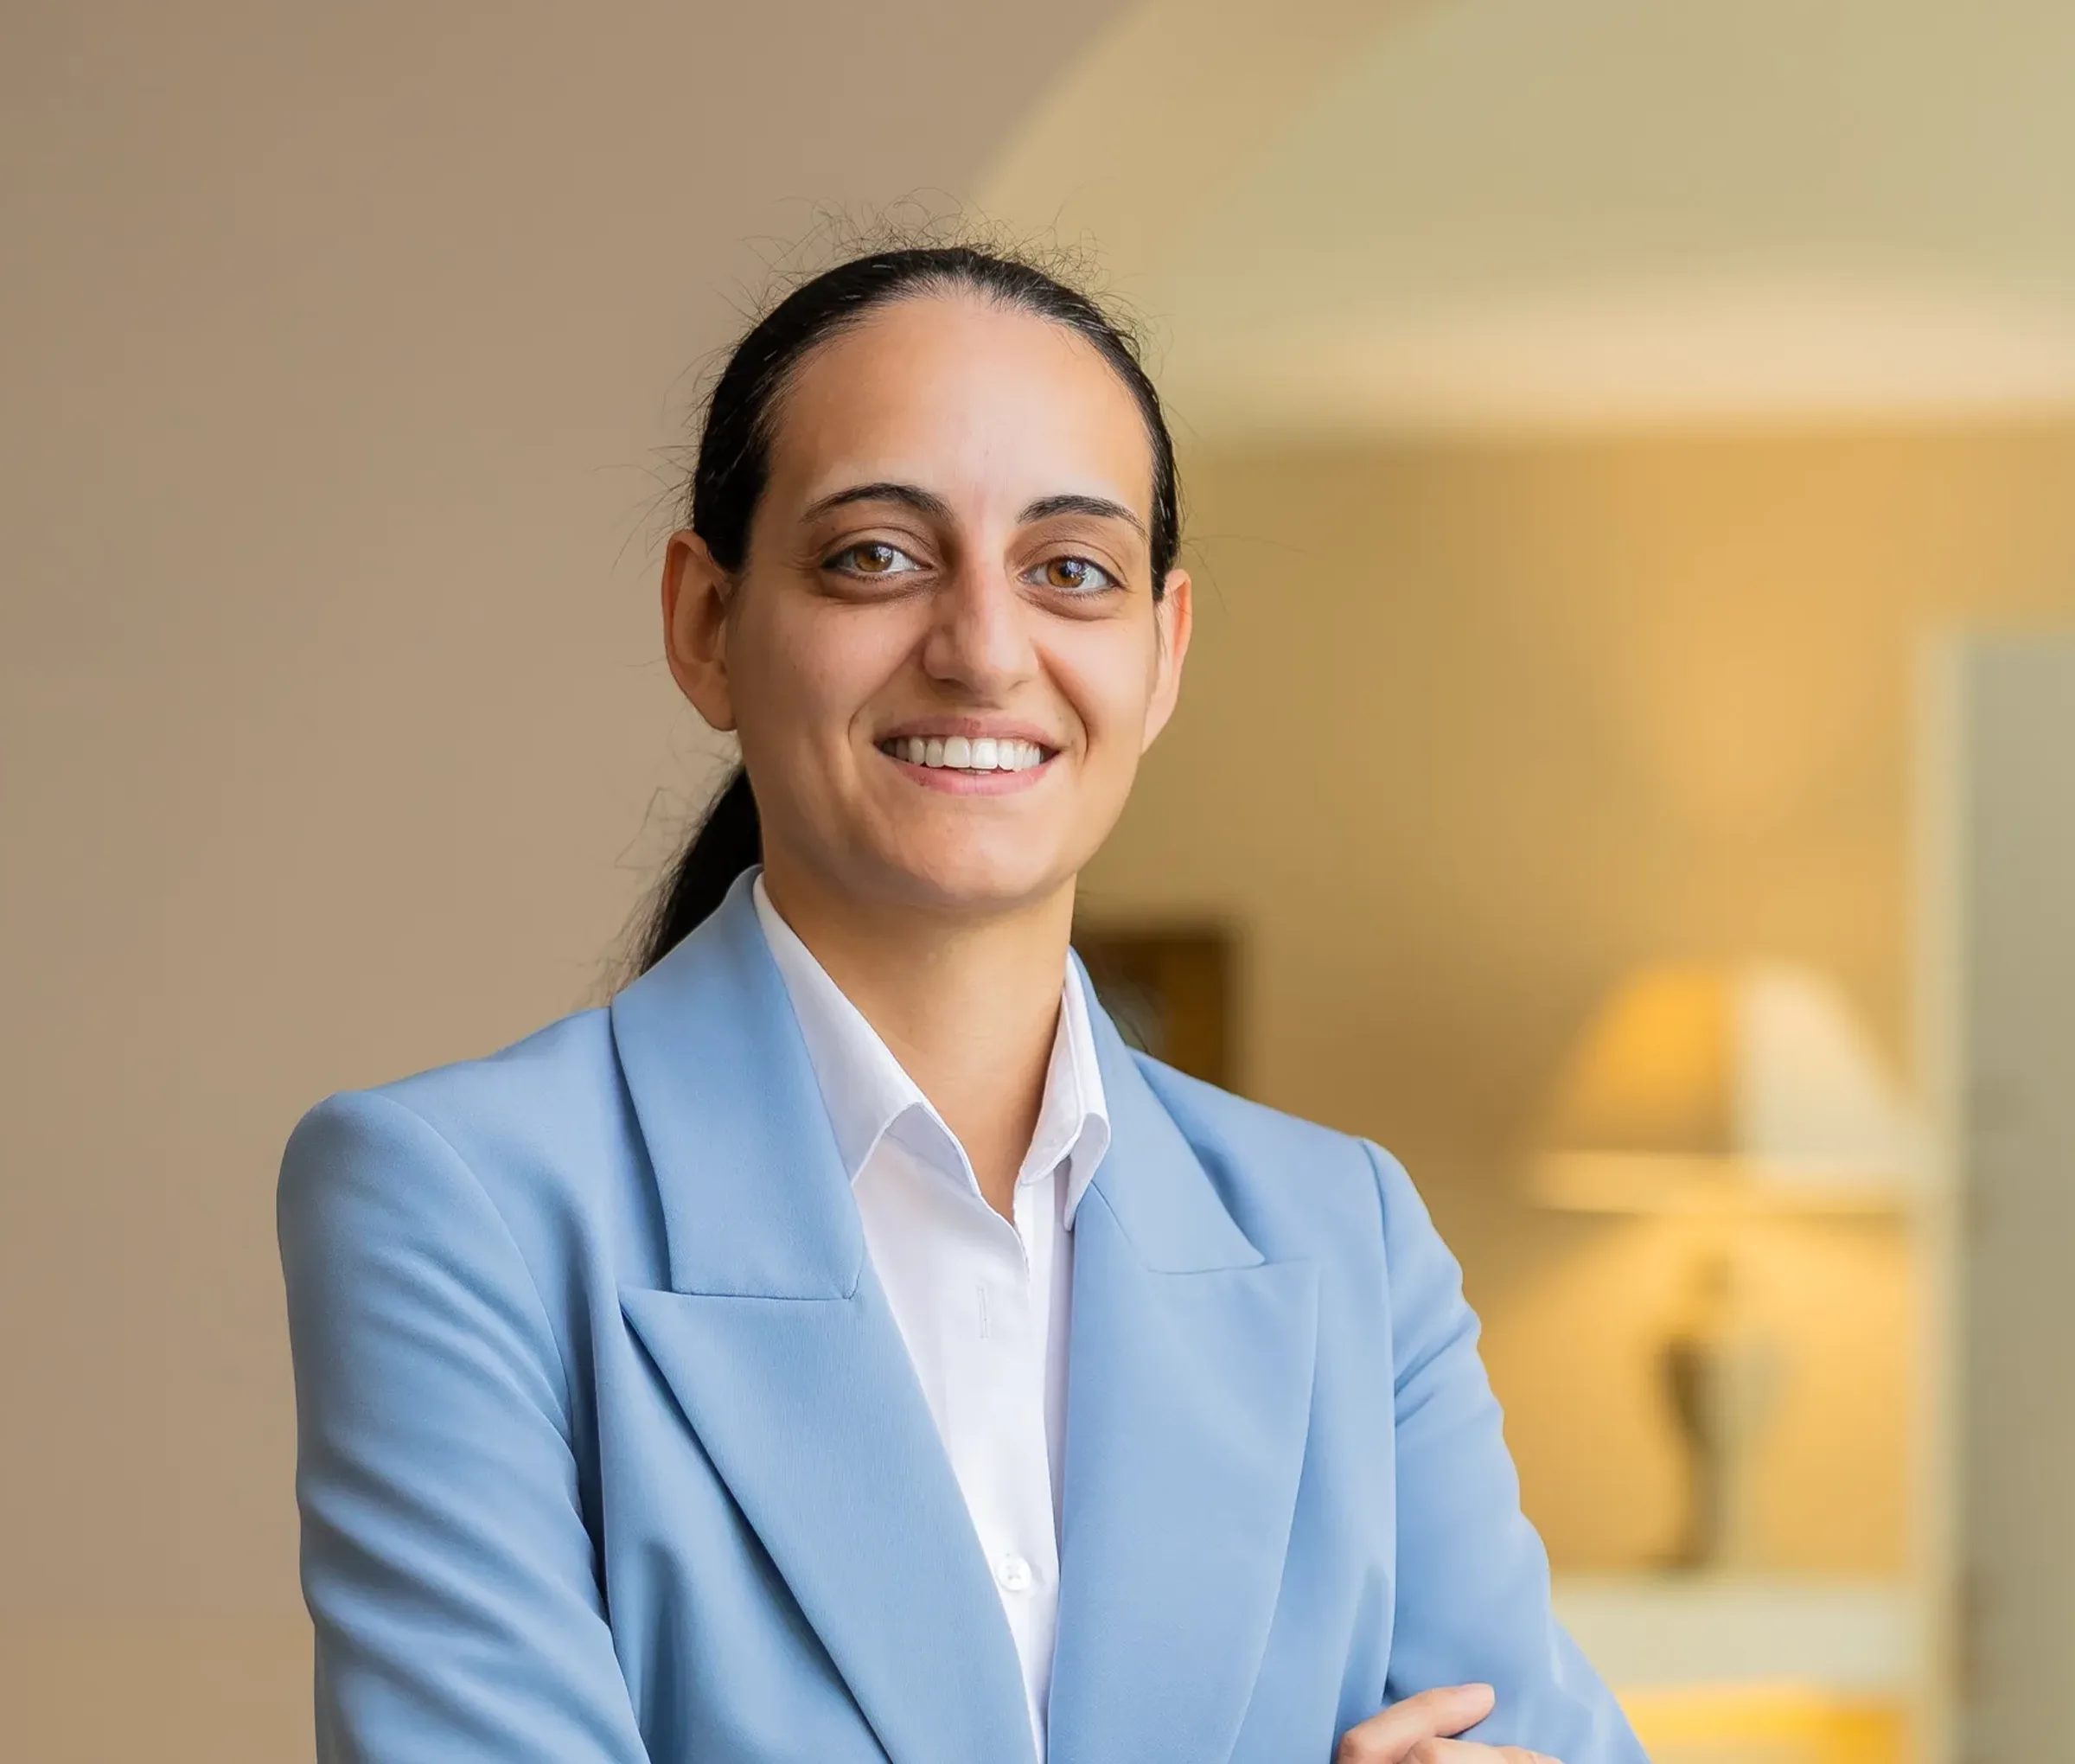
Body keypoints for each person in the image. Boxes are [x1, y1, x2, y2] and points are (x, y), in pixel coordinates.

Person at [278, 240, 1648, 1764]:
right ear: (706, 625)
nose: (986, 649)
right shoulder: (460, 1203)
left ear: (1163, 650)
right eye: (876, 555)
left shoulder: (1347, 1236)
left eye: (1071, 570)